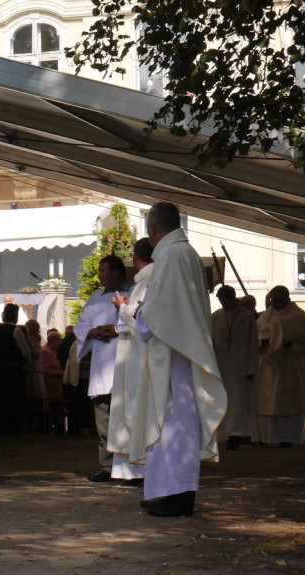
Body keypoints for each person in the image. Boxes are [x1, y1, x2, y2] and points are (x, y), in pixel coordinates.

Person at [127, 202, 226, 517]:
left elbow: (160, 311)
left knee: (176, 424)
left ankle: (179, 495)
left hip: (176, 354)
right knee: (168, 425)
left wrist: (136, 313)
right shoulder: (181, 253)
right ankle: (165, 490)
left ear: (151, 229)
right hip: (177, 350)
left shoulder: (173, 256)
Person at [74, 254, 131, 482]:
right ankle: (107, 466)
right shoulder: (95, 297)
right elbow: (81, 324)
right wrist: (91, 332)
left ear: (116, 272)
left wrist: (118, 329)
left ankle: (129, 466)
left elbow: (139, 320)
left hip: (125, 363)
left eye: (103, 271)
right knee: (104, 419)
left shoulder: (133, 292)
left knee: (126, 418)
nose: (99, 275)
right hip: (101, 365)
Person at [106, 238, 153, 485]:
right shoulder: (144, 282)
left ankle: (138, 469)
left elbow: (141, 322)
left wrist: (122, 308)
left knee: (135, 409)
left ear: (135, 258)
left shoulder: (147, 282)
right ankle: (130, 468)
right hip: (134, 357)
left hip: (138, 358)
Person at [254, 286, 305, 447]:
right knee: (266, 400)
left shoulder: (299, 316)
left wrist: (290, 342)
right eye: (272, 299)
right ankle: (265, 436)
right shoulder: (265, 316)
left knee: (288, 401)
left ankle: (288, 437)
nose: (274, 303)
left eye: (277, 299)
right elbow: (257, 333)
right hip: (267, 365)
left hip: (290, 365)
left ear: (286, 298)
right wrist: (264, 340)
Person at [211, 285, 258, 450]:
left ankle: (236, 434)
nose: (222, 302)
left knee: (238, 401)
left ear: (232, 298)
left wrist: (252, 368)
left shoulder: (247, 316)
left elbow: (253, 344)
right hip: (221, 365)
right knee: (223, 399)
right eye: (220, 299)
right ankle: (225, 431)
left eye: (224, 299)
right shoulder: (216, 316)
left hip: (240, 366)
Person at [0, 303, 26, 435]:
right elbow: (25, 352)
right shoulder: (16, 330)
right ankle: (14, 428)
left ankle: (1, 428)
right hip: (15, 369)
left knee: (2, 398)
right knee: (14, 398)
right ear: (15, 316)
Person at [17, 319, 46, 433]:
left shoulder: (28, 337)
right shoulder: (29, 339)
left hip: (34, 370)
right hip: (33, 371)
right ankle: (34, 426)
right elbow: (34, 354)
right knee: (35, 398)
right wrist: (37, 344)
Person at [41, 329, 65, 434]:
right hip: (50, 383)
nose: (60, 343)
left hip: (56, 383)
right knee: (51, 405)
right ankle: (50, 427)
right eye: (59, 340)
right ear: (53, 341)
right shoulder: (45, 352)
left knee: (57, 405)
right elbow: (45, 369)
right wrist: (58, 372)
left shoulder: (54, 352)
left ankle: (58, 427)